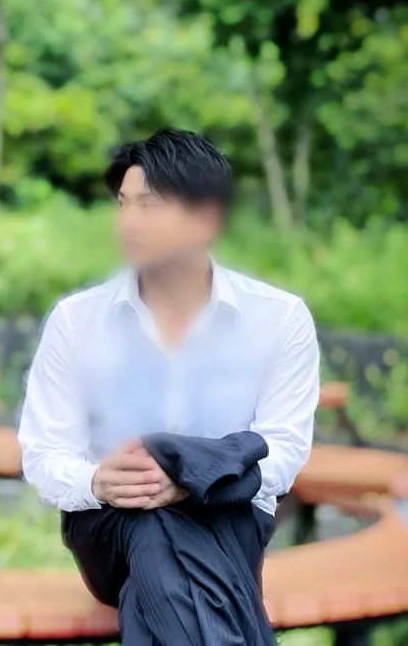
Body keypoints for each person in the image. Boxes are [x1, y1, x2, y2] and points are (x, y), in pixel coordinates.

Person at [17, 128, 320, 642]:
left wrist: (192, 482)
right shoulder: (77, 320)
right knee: (148, 518)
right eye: (123, 203)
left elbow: (284, 450)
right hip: (108, 526)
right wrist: (98, 482)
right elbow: (44, 453)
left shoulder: (278, 319)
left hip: (229, 523)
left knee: (161, 531)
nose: (129, 222)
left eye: (150, 205)